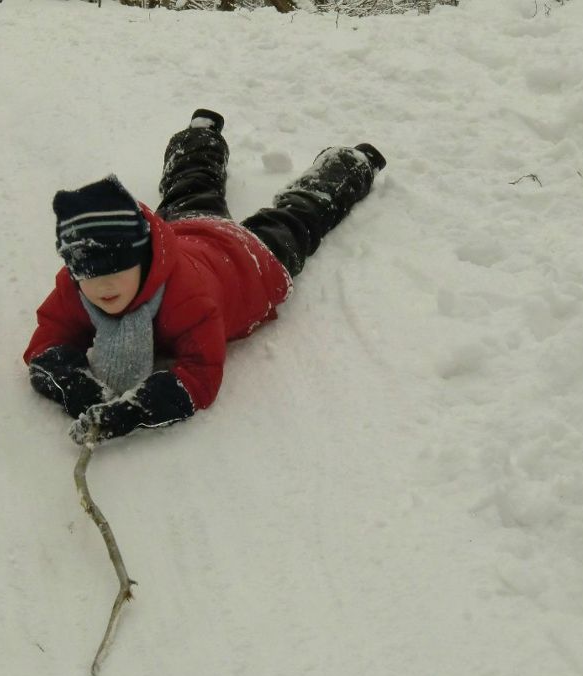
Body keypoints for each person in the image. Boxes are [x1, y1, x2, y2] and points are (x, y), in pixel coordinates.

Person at [23, 108, 385, 445]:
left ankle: (350, 165)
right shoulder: (77, 285)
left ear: (145, 259)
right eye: (89, 274)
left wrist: (132, 411)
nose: (103, 285)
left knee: (300, 217)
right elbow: (47, 341)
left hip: (250, 259)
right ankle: (201, 133)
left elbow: (200, 375)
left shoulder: (188, 298)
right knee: (191, 184)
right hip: (185, 229)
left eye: (118, 271)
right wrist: (72, 386)